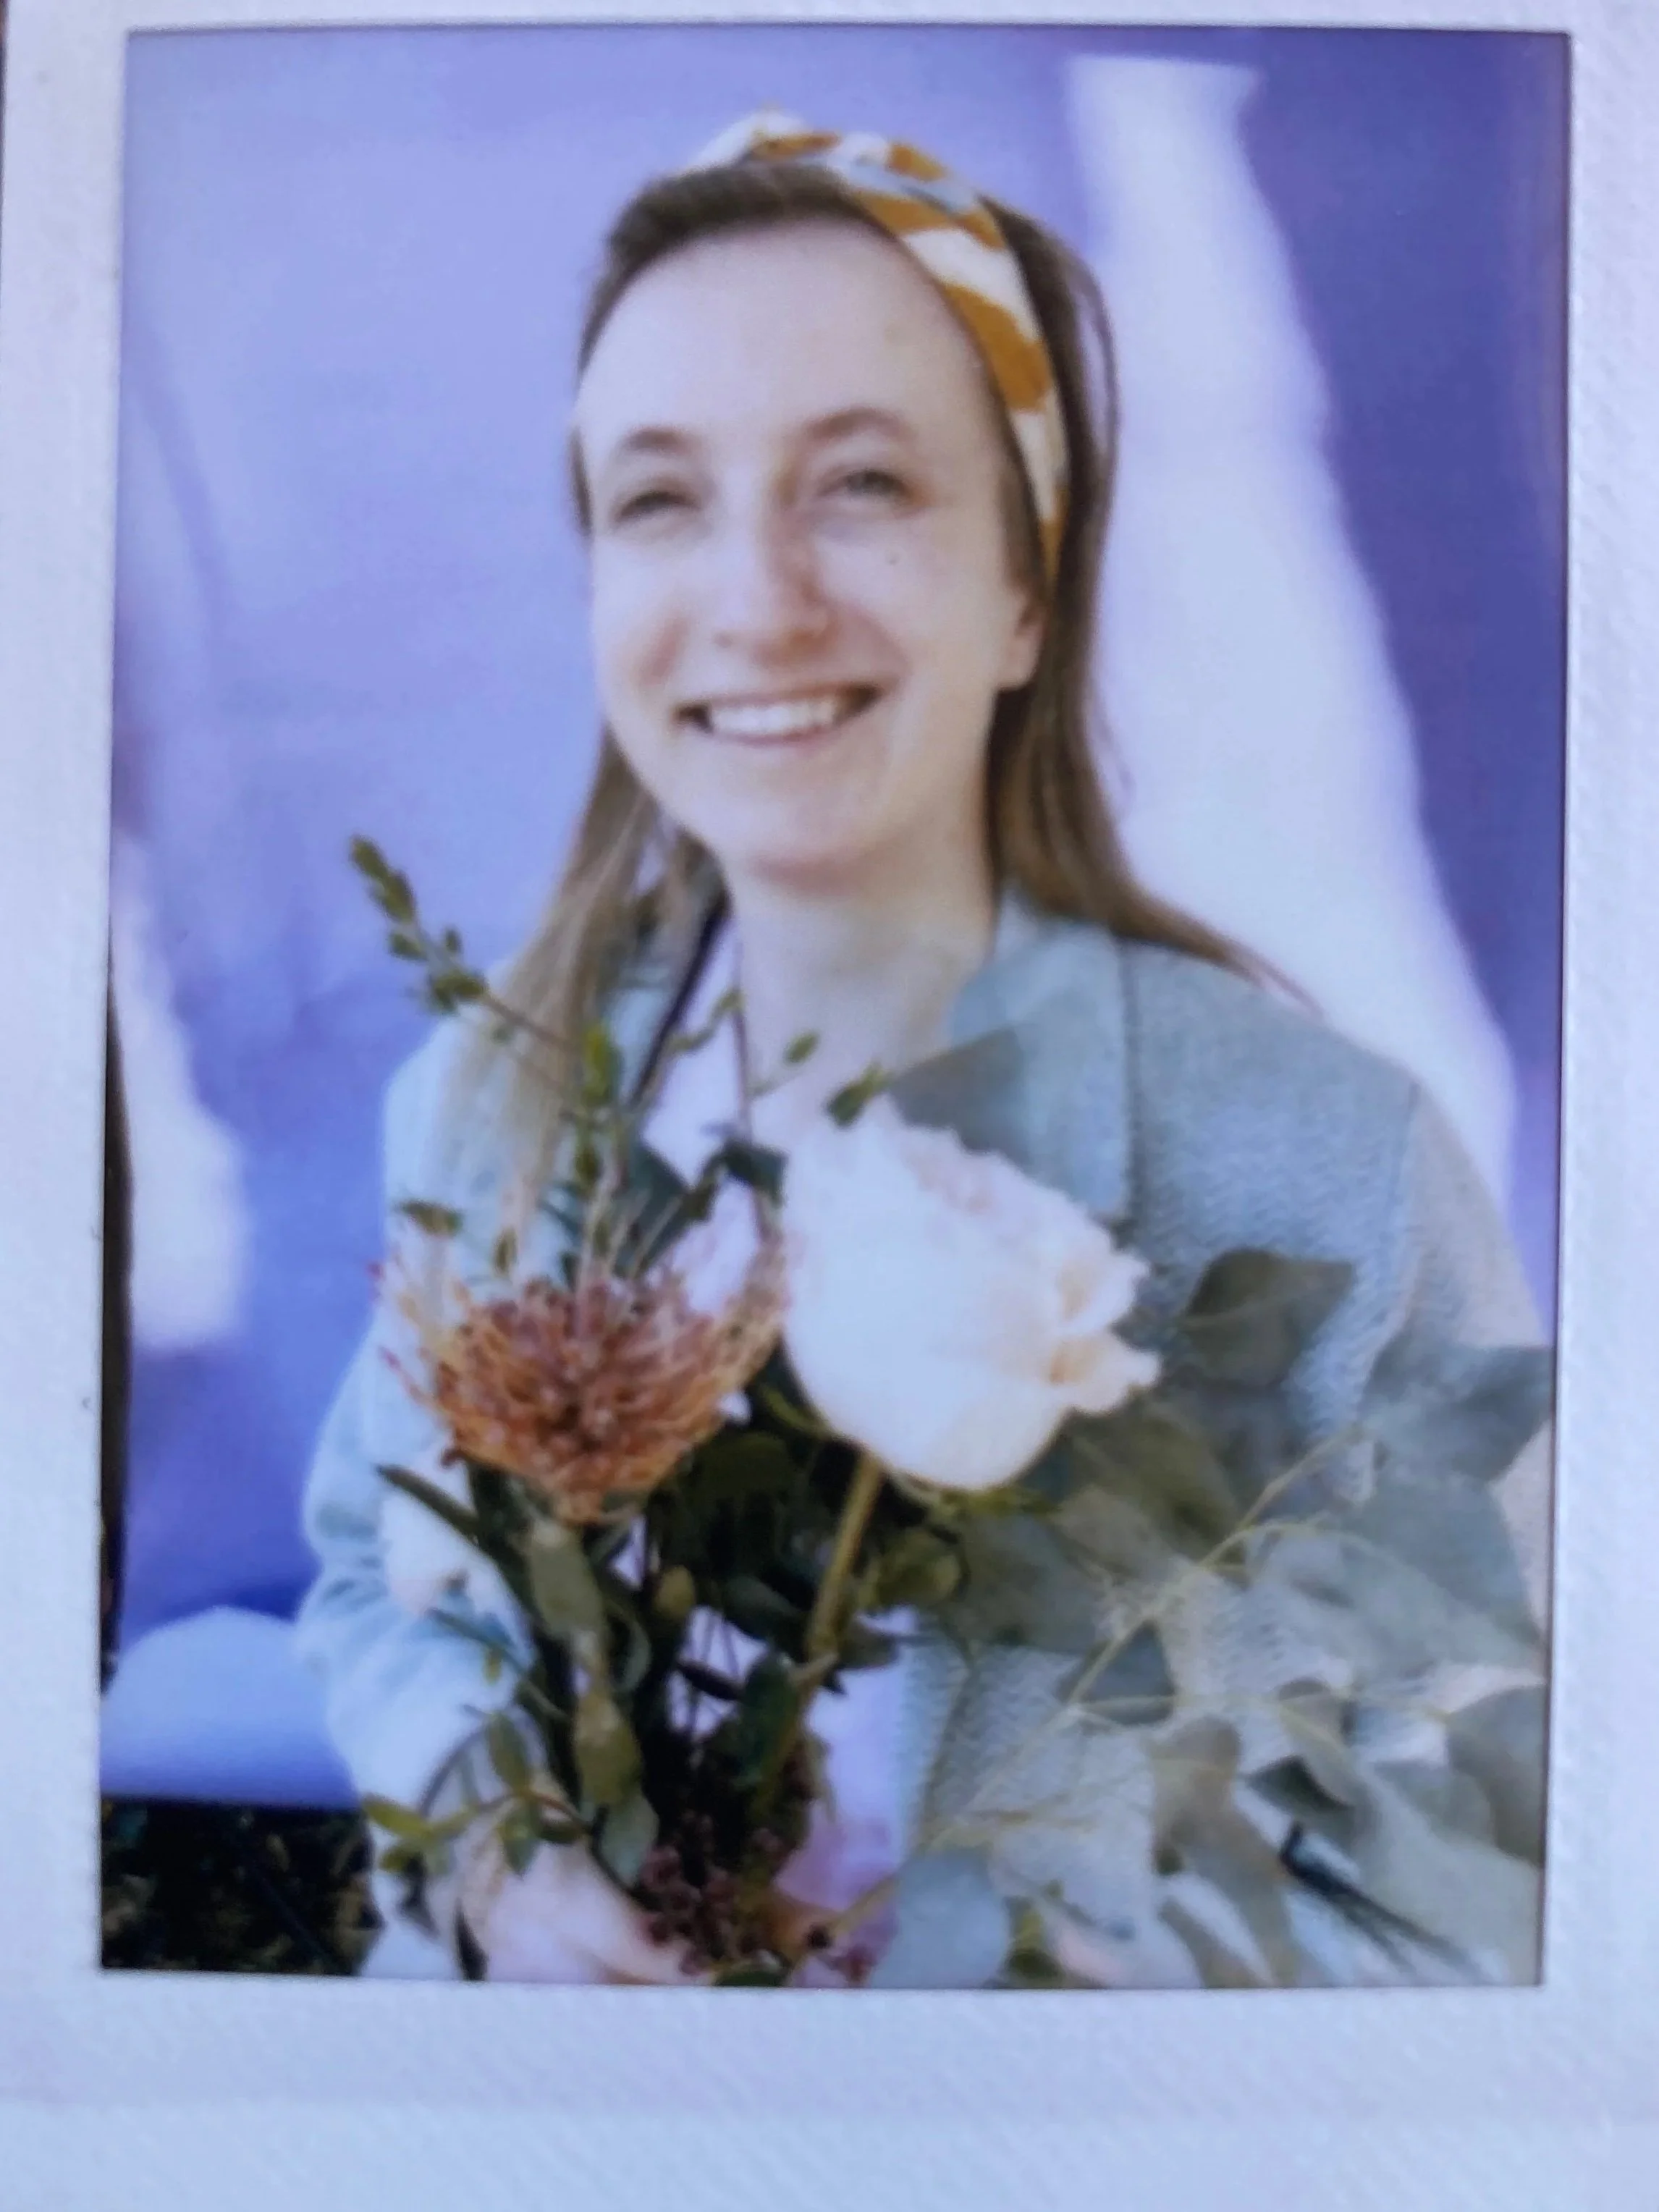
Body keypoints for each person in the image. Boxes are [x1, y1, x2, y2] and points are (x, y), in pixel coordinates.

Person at [295, 112, 1550, 1987]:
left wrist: (1006, 2025)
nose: (755, 599)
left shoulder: (1325, 1172)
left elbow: (1479, 1898)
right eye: (659, 499)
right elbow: (366, 1592)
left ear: (1029, 587)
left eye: (861, 483)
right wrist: (493, 1857)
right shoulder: (487, 1107)